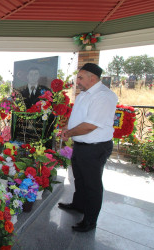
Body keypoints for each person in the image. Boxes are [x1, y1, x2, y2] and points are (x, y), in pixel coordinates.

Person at [58, 63, 118, 232]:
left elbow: (91, 125)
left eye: (80, 77)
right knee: (80, 178)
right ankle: (79, 205)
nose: (77, 81)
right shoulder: (85, 93)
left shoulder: (104, 96)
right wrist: (67, 128)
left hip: (95, 147)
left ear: (93, 78)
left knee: (92, 184)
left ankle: (90, 221)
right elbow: (79, 117)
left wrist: (69, 133)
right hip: (81, 145)